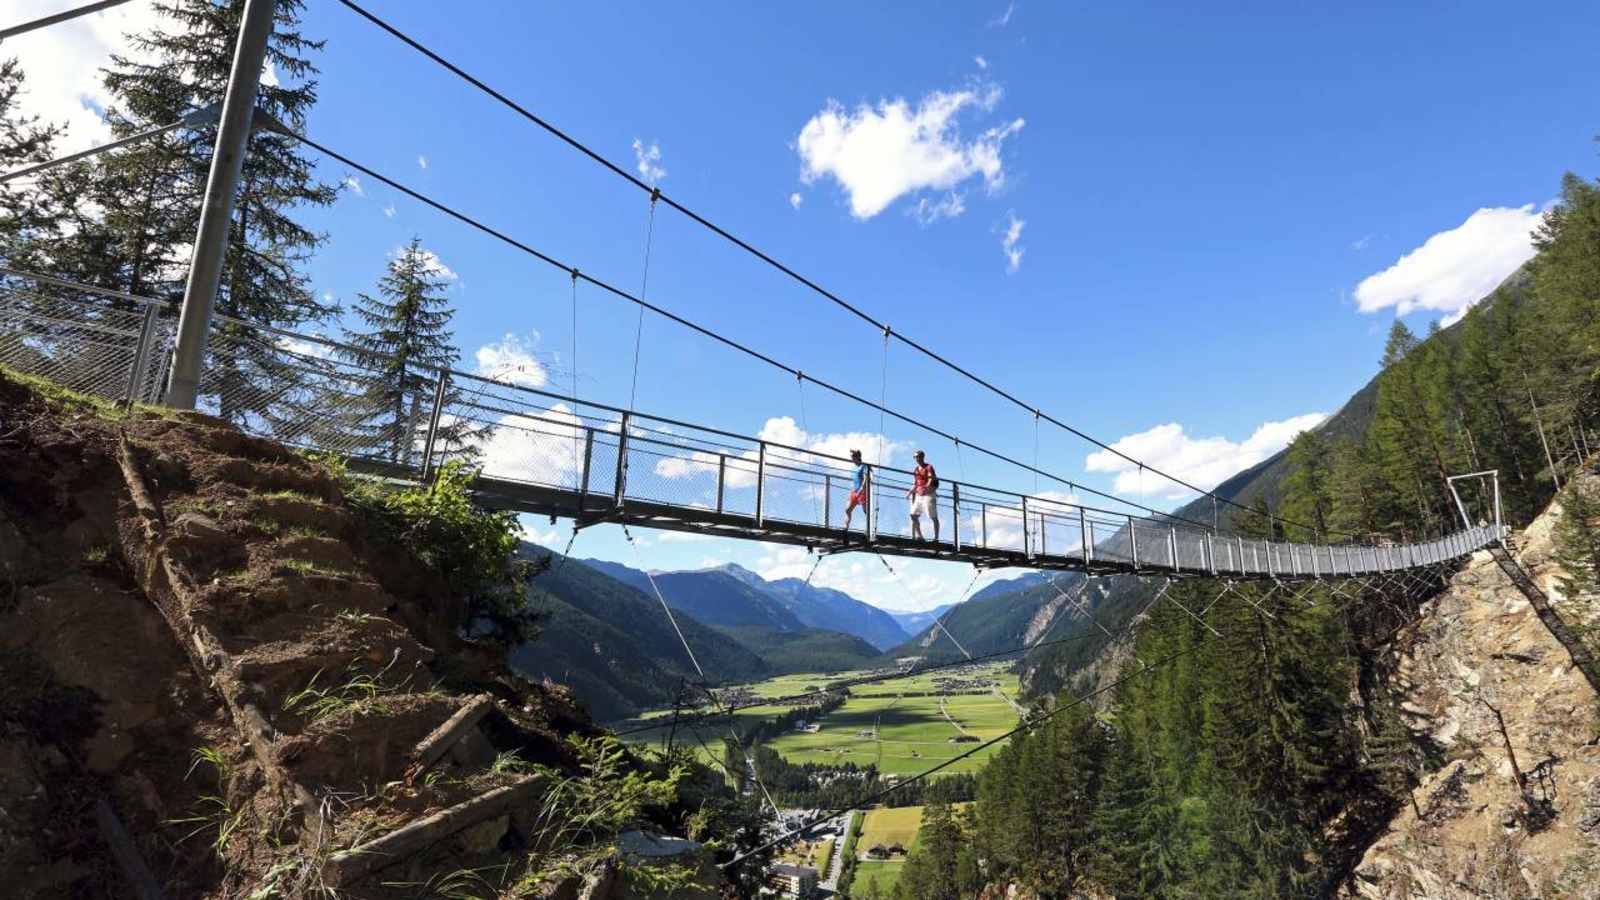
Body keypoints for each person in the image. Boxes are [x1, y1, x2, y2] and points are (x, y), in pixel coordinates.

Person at [908, 449, 940, 541]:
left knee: (933, 516)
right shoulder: (916, 469)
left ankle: (936, 538)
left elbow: (930, 478)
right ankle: (920, 536)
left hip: (928, 494)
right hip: (919, 494)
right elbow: (915, 482)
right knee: (913, 515)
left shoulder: (929, 467)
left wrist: (927, 486)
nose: (917, 459)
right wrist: (910, 491)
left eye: (918, 457)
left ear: (922, 457)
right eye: (915, 457)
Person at [843, 449, 870, 538]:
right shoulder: (853, 467)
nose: (851, 459)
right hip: (854, 491)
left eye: (852, 457)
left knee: (866, 511)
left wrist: (862, 487)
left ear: (857, 457)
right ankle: (845, 528)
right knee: (847, 509)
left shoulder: (863, 466)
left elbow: (866, 477)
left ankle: (868, 528)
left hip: (862, 491)